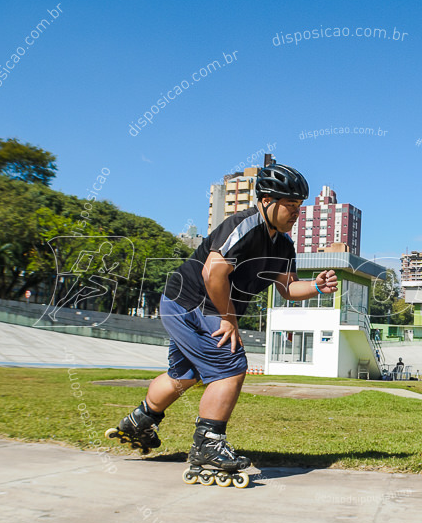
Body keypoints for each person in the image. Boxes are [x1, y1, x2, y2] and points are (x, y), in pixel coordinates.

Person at [106, 162, 338, 481]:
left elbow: (287, 288)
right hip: (190, 301)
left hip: (198, 307)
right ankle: (208, 445)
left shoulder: (283, 245)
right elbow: (212, 273)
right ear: (267, 201)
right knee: (231, 366)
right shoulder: (244, 226)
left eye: (299, 206)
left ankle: (139, 422)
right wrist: (229, 319)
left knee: (183, 375)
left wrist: (315, 286)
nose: (296, 213)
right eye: (290, 205)